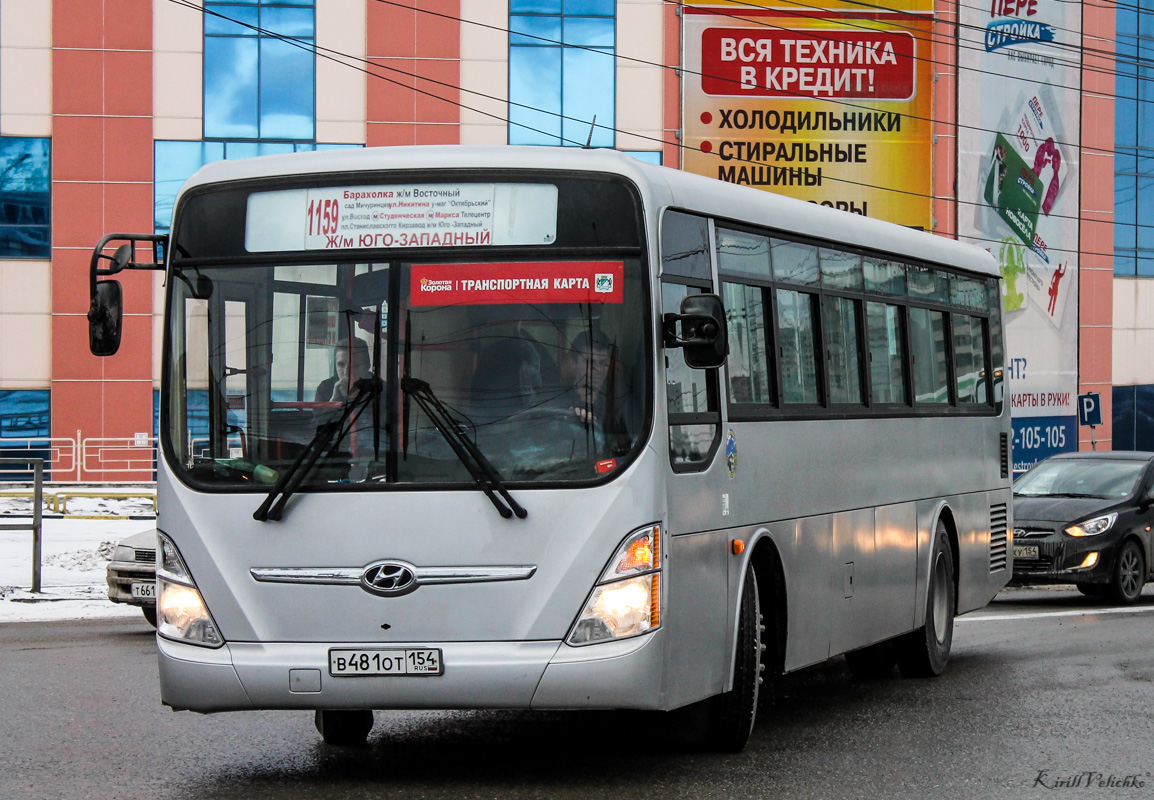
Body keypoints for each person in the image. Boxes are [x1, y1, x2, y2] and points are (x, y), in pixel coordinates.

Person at [316, 338, 372, 402]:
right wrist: (334, 401)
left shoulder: (380, 388)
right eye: (341, 365)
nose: (346, 372)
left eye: (354, 365)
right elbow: (319, 411)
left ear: (367, 367)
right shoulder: (325, 387)